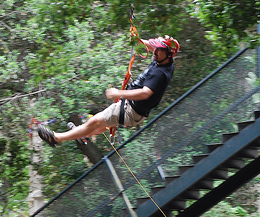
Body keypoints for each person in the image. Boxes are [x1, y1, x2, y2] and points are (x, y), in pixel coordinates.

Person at [38, 35, 179, 147]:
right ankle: (83, 135)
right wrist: (138, 40)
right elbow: (151, 45)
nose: (155, 51)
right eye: (156, 48)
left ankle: (57, 138)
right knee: (101, 123)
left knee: (94, 122)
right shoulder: (163, 59)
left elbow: (145, 93)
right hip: (132, 108)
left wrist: (119, 93)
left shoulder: (161, 73)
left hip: (131, 110)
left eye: (159, 50)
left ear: (168, 55)